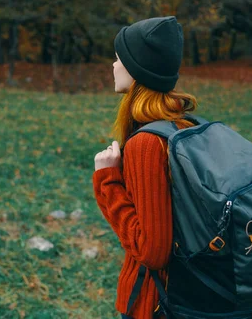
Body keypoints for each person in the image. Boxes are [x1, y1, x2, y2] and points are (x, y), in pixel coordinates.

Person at [92, 16, 198, 318]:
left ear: (137, 69)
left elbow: (152, 251)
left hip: (155, 304)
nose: (113, 65)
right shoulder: (181, 125)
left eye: (119, 58)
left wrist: (107, 182)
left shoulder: (147, 144)